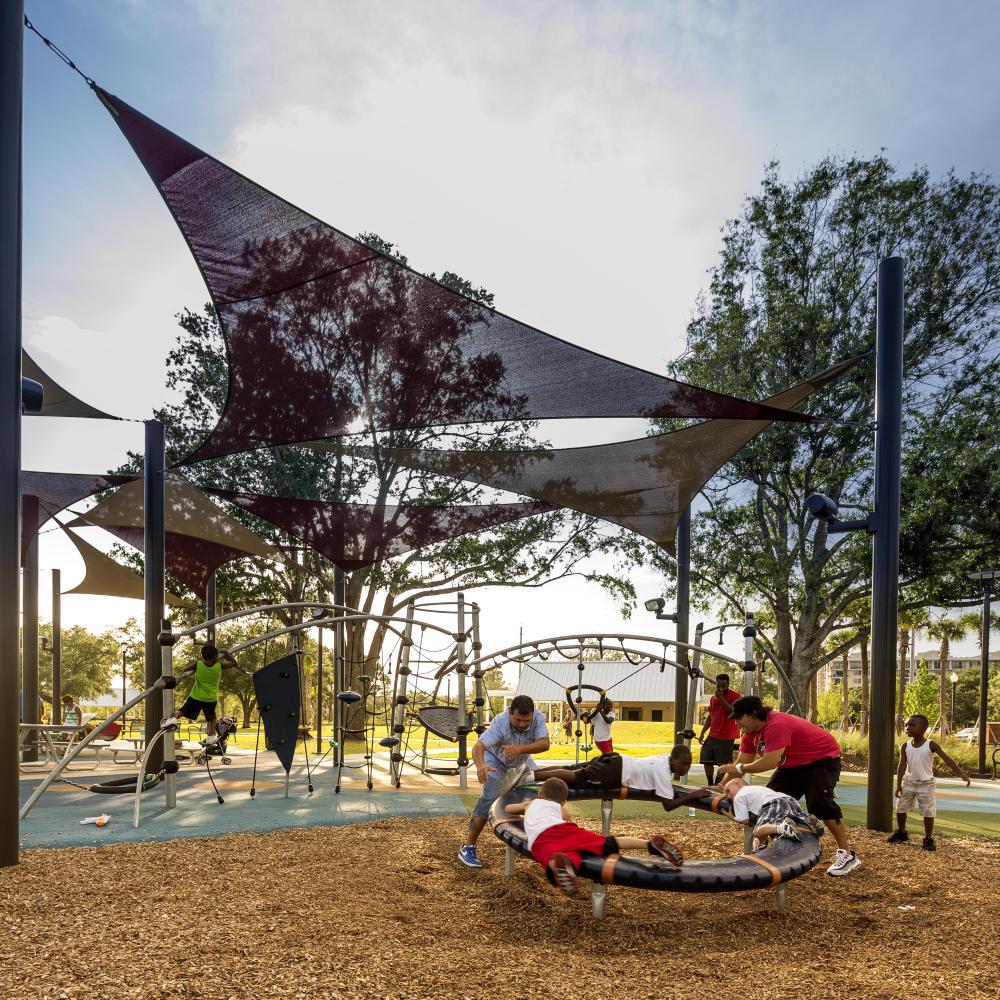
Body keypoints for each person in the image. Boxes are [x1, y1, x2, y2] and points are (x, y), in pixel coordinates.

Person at [716, 696, 860, 877]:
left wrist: (739, 768)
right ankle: (763, 843)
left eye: (739, 717)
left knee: (819, 804)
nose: (737, 722)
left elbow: (768, 762)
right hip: (792, 767)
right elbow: (741, 762)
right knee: (768, 802)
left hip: (821, 759)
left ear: (753, 713)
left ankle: (847, 855)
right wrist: (721, 786)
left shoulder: (776, 724)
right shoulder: (750, 733)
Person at [504, 777, 684, 895]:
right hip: (566, 830)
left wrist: (525, 808)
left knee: (549, 856)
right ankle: (648, 845)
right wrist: (560, 808)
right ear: (564, 801)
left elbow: (508, 809)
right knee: (607, 842)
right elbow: (566, 817)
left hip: (543, 839)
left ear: (540, 794)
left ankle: (558, 865)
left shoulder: (532, 803)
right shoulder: (560, 807)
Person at [458, 694, 550, 868]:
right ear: (510, 713)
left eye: (526, 720)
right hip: (495, 763)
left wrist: (519, 749)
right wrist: (480, 766)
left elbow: (545, 744)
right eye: (518, 720)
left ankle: (538, 842)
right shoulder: (500, 723)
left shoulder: (537, 718)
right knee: (488, 801)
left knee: (540, 794)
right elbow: (479, 746)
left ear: (532, 715)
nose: (523, 724)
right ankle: (467, 847)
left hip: (522, 762)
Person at [533, 745, 706, 811]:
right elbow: (667, 805)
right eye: (683, 764)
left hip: (616, 759)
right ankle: (531, 775)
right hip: (615, 772)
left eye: (689, 764)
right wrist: (693, 795)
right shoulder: (663, 771)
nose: (686, 768)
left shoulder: (664, 759)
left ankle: (531, 772)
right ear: (674, 759)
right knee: (575, 776)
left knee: (571, 769)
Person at [888, 714, 971, 851]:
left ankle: (928, 838)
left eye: (912, 725)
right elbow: (902, 766)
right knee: (901, 808)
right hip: (908, 782)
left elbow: (947, 759)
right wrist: (898, 785)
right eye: (906, 725)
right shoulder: (905, 746)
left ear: (923, 728)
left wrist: (961, 774)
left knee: (928, 811)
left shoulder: (930, 744)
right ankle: (902, 833)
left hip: (926, 784)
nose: (907, 727)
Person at [160, 644, 238, 744]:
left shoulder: (198, 664)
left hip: (196, 696)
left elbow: (185, 669)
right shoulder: (220, 666)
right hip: (210, 698)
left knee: (183, 710)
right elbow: (234, 663)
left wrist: (196, 666)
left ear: (203, 657)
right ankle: (210, 736)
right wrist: (227, 653)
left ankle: (173, 719)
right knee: (212, 718)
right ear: (215, 657)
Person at [721, 777, 819, 848]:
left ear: (738, 783)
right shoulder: (757, 789)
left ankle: (782, 827)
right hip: (789, 800)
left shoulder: (739, 795)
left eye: (728, 790)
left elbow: (745, 820)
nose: (728, 796)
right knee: (795, 816)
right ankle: (809, 821)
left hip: (773, 804)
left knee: (758, 831)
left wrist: (732, 817)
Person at [697, 673, 741, 786]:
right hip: (712, 735)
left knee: (722, 764)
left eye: (724, 686)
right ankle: (710, 784)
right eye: (718, 686)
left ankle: (718, 784)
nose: (721, 689)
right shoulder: (713, 698)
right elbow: (711, 716)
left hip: (727, 737)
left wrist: (721, 698)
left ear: (728, 685)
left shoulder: (735, 696)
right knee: (706, 760)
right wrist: (702, 733)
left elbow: (732, 712)